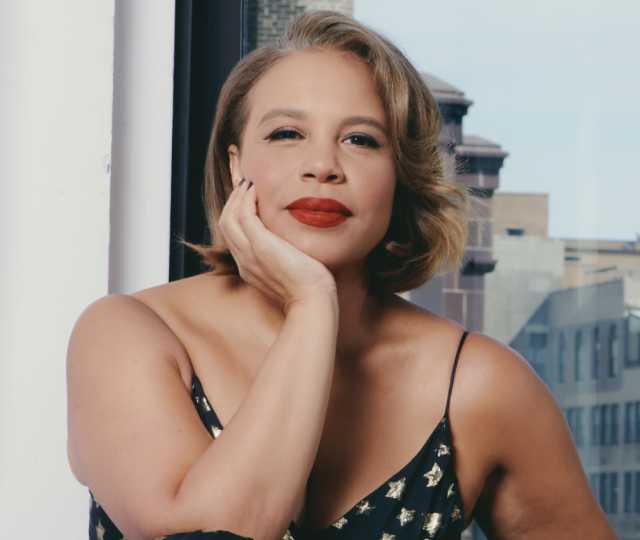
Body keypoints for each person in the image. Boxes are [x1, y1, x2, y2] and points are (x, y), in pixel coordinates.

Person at [66, 10, 616, 540]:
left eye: (361, 140)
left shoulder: (480, 385)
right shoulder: (128, 335)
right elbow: (210, 536)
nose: (323, 166)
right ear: (235, 166)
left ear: (400, 178)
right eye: (287, 133)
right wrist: (311, 304)